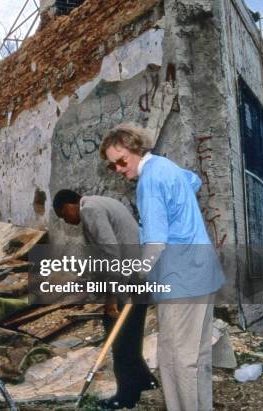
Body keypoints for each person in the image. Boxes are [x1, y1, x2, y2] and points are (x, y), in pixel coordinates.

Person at [100, 123, 225, 411]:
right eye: (112, 166)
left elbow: (155, 243)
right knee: (196, 355)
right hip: (201, 272)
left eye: (121, 161)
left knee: (178, 358)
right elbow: (193, 181)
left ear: (136, 149)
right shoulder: (165, 166)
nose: (118, 169)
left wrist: (138, 277)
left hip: (181, 278)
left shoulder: (149, 182)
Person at [53, 189, 158, 409]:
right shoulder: (100, 203)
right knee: (131, 334)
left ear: (71, 205)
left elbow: (111, 253)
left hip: (128, 280)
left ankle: (126, 396)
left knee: (118, 337)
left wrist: (110, 298)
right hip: (137, 275)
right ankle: (145, 380)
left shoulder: (90, 210)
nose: (67, 222)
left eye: (64, 215)